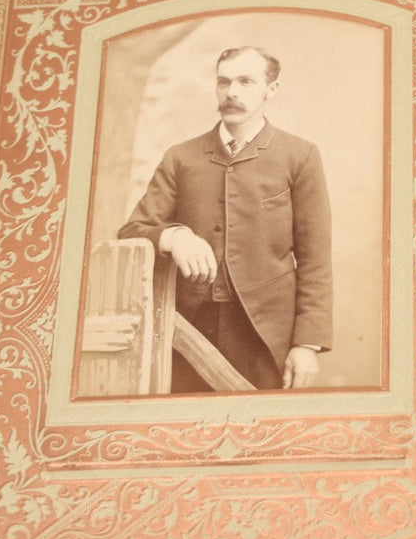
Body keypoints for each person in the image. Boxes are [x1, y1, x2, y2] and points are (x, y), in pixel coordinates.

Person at [119, 46, 333, 391]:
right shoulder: (181, 157)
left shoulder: (300, 155)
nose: (232, 92)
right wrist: (175, 237)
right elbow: (132, 230)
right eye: (224, 82)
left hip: (266, 335)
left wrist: (307, 344)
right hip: (188, 328)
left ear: (271, 89)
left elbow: (315, 258)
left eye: (245, 81)